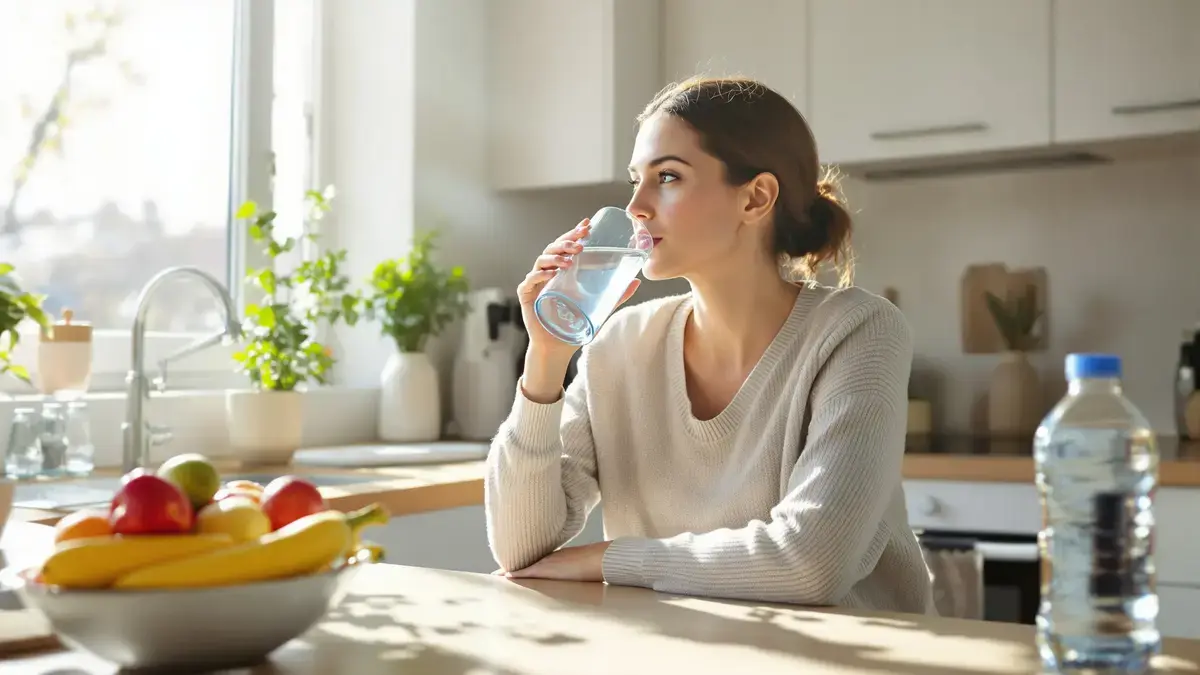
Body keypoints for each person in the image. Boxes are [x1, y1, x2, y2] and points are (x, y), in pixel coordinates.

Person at [484, 76, 935, 614]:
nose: (635, 208)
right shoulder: (620, 344)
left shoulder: (858, 330)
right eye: (636, 180)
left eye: (667, 177)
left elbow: (812, 563)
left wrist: (608, 560)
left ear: (755, 197)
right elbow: (520, 548)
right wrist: (546, 360)